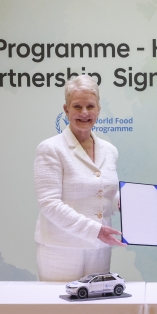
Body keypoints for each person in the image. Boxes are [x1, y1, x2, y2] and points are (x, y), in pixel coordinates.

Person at [34, 75, 124, 282]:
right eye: (77, 106)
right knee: (60, 312)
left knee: (96, 310)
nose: (84, 113)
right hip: (60, 249)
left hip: (100, 248)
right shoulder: (50, 148)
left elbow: (106, 192)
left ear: (99, 109)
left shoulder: (109, 150)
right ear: (66, 110)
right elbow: (49, 204)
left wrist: (129, 201)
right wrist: (94, 230)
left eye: (90, 106)